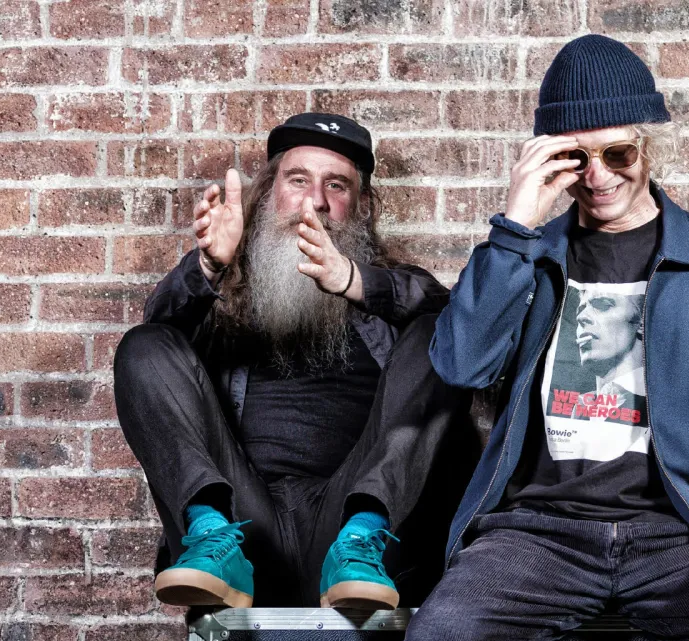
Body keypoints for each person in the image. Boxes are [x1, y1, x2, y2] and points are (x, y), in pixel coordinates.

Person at [397, 34, 689, 641]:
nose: (597, 177)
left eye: (617, 153)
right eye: (576, 157)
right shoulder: (527, 255)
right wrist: (514, 229)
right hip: (539, 533)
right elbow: (462, 363)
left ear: (649, 146)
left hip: (681, 530)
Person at [113, 113, 477, 610]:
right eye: (298, 180)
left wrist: (353, 281)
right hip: (245, 530)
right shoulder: (224, 291)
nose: (316, 201)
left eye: (337, 185)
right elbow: (157, 346)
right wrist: (208, 268)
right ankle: (210, 533)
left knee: (441, 336)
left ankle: (364, 532)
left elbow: (465, 332)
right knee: (144, 344)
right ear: (270, 193)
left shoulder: (389, 291)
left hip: (352, 538)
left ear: (363, 205)